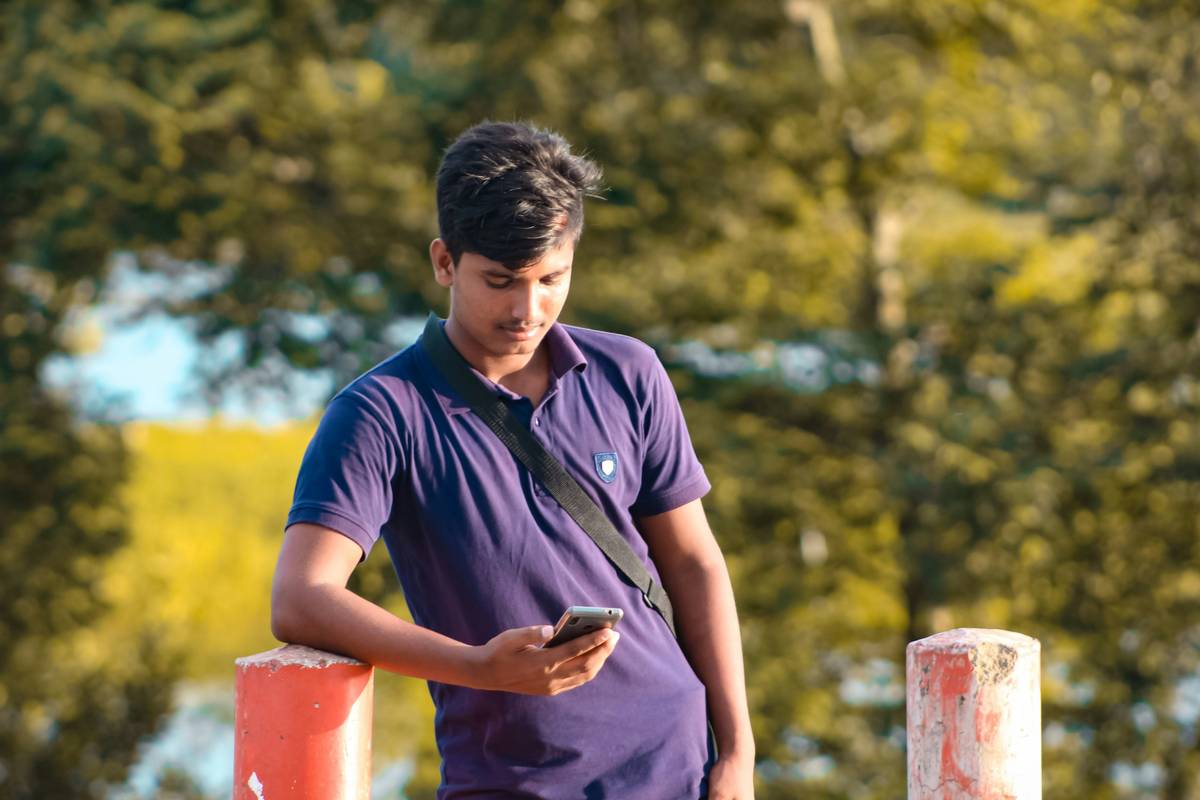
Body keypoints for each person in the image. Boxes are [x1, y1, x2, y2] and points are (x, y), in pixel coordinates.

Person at [271, 121, 755, 799]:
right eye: (500, 280)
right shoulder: (382, 411)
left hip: (681, 769)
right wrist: (479, 667)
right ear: (444, 262)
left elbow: (694, 562)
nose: (530, 309)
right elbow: (301, 598)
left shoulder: (630, 372)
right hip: (511, 783)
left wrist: (735, 752)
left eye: (552, 278)